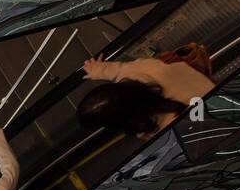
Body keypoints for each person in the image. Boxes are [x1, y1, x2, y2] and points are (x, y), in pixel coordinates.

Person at [79, 53, 214, 140]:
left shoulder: (167, 129)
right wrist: (100, 70)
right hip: (210, 89)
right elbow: (122, 70)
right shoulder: (143, 69)